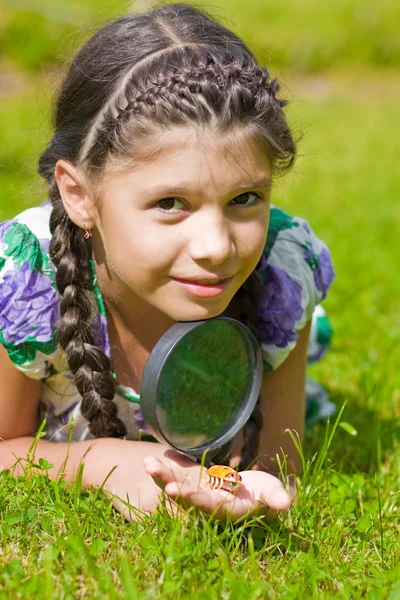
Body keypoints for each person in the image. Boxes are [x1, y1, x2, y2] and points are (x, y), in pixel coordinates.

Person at [0, 3, 334, 521]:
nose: (216, 247)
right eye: (170, 204)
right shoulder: (27, 279)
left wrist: (248, 497)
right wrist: (108, 461)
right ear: (79, 195)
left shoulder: (280, 270)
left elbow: (278, 464)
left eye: (244, 198)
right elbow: (5, 447)